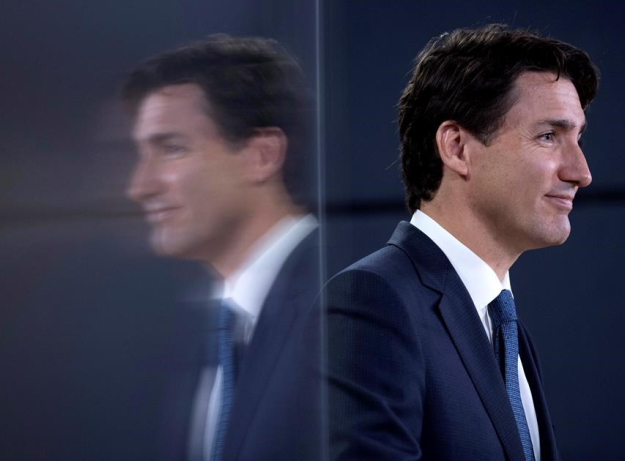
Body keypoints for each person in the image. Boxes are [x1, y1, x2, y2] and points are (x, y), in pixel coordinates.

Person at [325, 24, 598, 461]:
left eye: (578, 139)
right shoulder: (371, 302)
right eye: (549, 136)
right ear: (456, 147)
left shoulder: (504, 327)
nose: (580, 172)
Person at [123, 35, 322, 461]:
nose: (140, 187)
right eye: (142, 153)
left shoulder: (354, 302)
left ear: (262, 155)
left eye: (171, 149)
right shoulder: (207, 327)